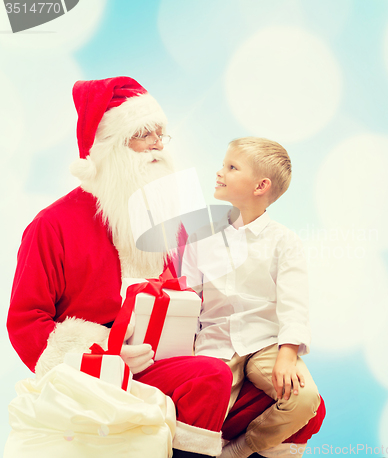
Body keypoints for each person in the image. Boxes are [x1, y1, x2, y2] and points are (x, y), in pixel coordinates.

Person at [7, 76, 232, 458]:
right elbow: (26, 321)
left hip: (172, 360)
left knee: (279, 398)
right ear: (109, 148)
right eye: (144, 134)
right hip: (101, 371)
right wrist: (102, 354)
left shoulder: (170, 223)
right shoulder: (52, 225)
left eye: (161, 134)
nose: (158, 145)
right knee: (211, 378)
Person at [181, 137, 322, 458]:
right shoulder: (202, 235)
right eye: (223, 165)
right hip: (214, 342)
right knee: (200, 410)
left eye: (231, 167)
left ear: (260, 186)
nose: (219, 172)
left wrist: (288, 354)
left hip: (266, 343)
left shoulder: (284, 241)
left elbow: (294, 302)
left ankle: (240, 451)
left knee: (304, 399)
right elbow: (189, 295)